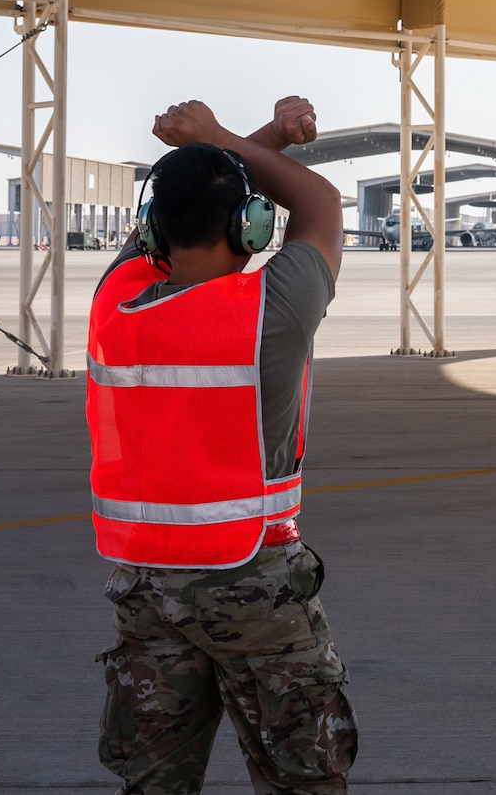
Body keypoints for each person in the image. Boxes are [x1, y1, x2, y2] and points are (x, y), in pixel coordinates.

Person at [88, 96, 355, 793]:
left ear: (151, 228)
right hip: (254, 588)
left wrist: (228, 142)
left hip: (145, 589)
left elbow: (186, 205)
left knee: (154, 780)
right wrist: (236, 138)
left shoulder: (116, 301)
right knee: (304, 776)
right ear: (252, 225)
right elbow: (320, 201)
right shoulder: (273, 309)